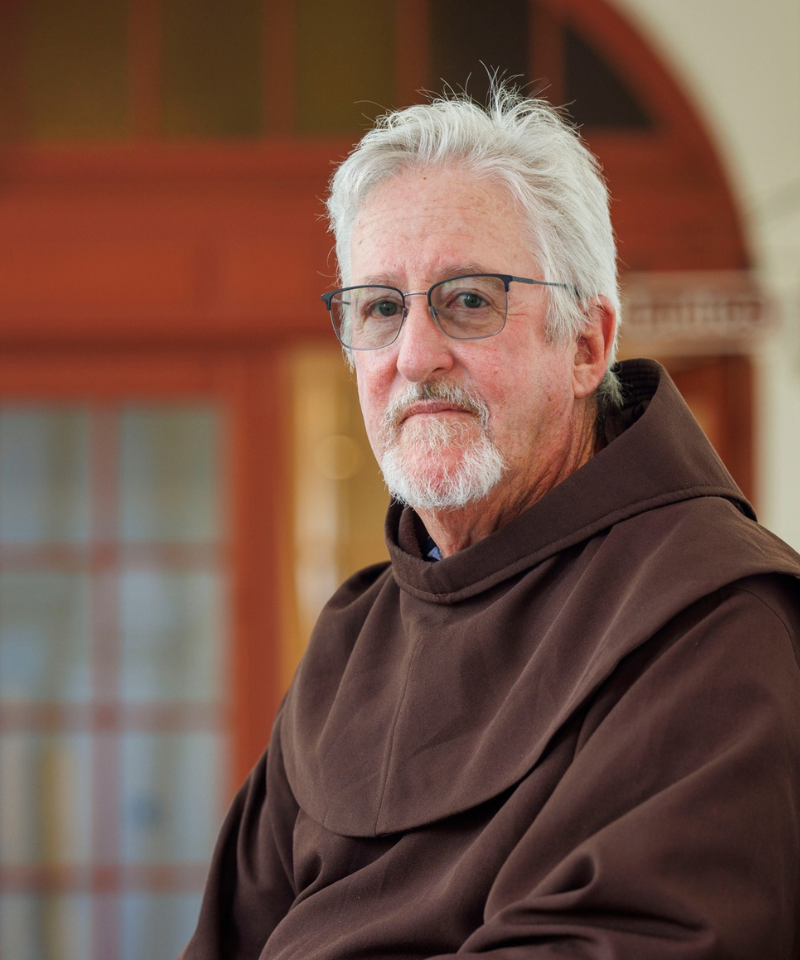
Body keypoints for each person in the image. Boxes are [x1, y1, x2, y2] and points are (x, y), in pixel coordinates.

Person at [182, 85, 800, 959]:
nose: (414, 355)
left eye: (468, 301)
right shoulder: (354, 640)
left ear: (586, 343)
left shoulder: (712, 619)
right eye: (380, 308)